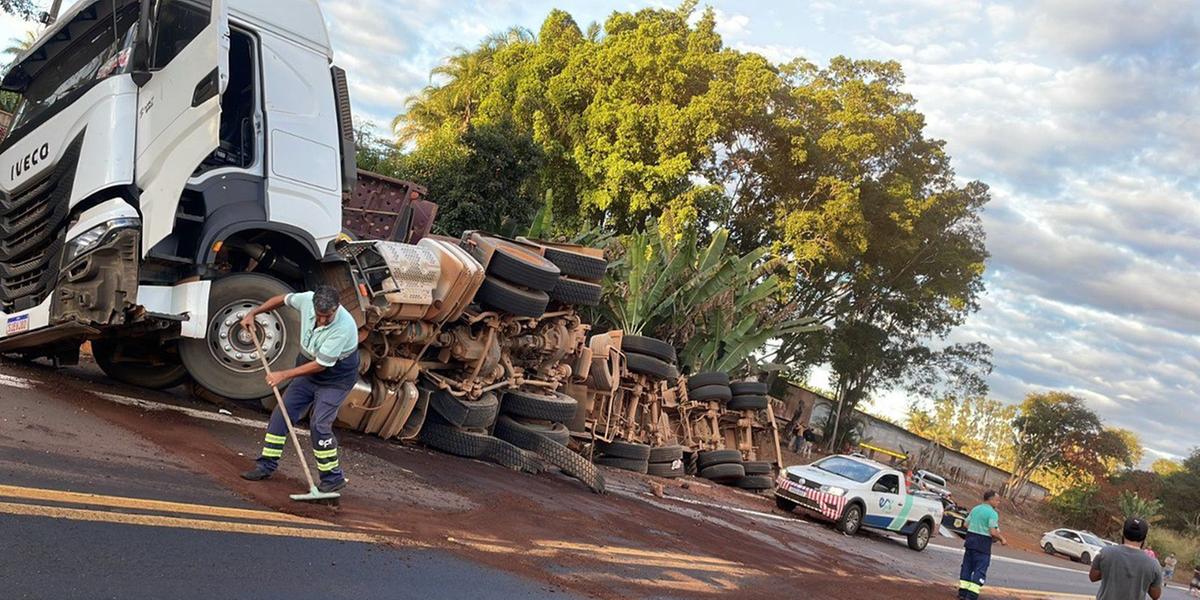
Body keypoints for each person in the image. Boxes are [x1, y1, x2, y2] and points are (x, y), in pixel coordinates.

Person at [239, 286, 361, 494]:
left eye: (327, 316)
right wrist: (253, 313)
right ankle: (265, 465)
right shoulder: (306, 299)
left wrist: (283, 375)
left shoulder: (345, 327)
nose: (322, 320)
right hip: (307, 371)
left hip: (335, 379)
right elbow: (280, 299)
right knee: (282, 414)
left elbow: (321, 365)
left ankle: (333, 477)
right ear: (314, 305)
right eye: (319, 316)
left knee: (319, 423)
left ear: (336, 308)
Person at [1089, 517, 1163, 600]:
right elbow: (1156, 595)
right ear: (1144, 538)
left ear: (1123, 533)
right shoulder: (1153, 564)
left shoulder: (1105, 553)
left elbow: (1093, 577)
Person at [958, 490, 1007, 600]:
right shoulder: (992, 513)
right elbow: (992, 531)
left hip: (970, 541)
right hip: (983, 544)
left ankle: (962, 592)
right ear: (991, 500)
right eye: (997, 500)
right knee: (980, 569)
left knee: (967, 567)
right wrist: (1002, 539)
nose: (998, 503)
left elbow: (966, 524)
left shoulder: (975, 509)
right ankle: (971, 595)